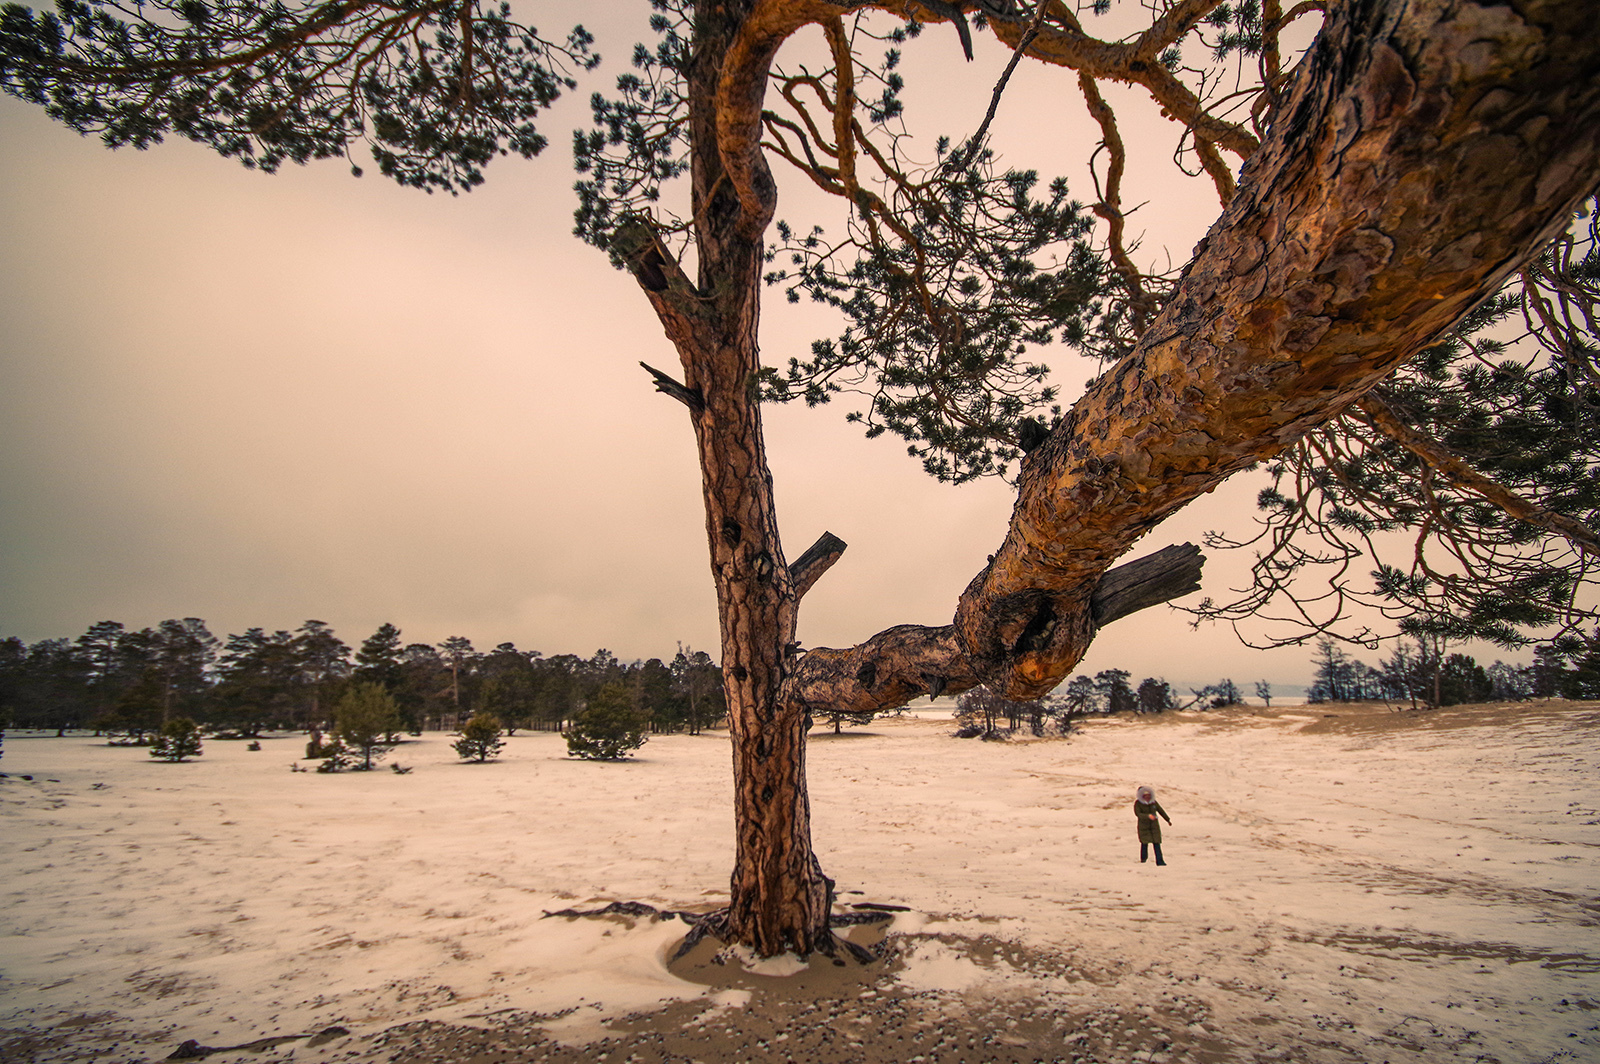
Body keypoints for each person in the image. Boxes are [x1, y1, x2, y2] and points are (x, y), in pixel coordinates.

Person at [1134, 785, 1172, 866]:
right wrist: (1148, 816)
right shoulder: (1138, 803)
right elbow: (1138, 814)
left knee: (1157, 843)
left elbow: (1160, 810)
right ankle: (1143, 860)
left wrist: (1167, 819)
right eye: (1145, 795)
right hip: (1143, 827)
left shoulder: (1153, 802)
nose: (1147, 797)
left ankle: (1160, 861)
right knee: (1144, 843)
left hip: (1154, 827)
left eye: (1148, 795)